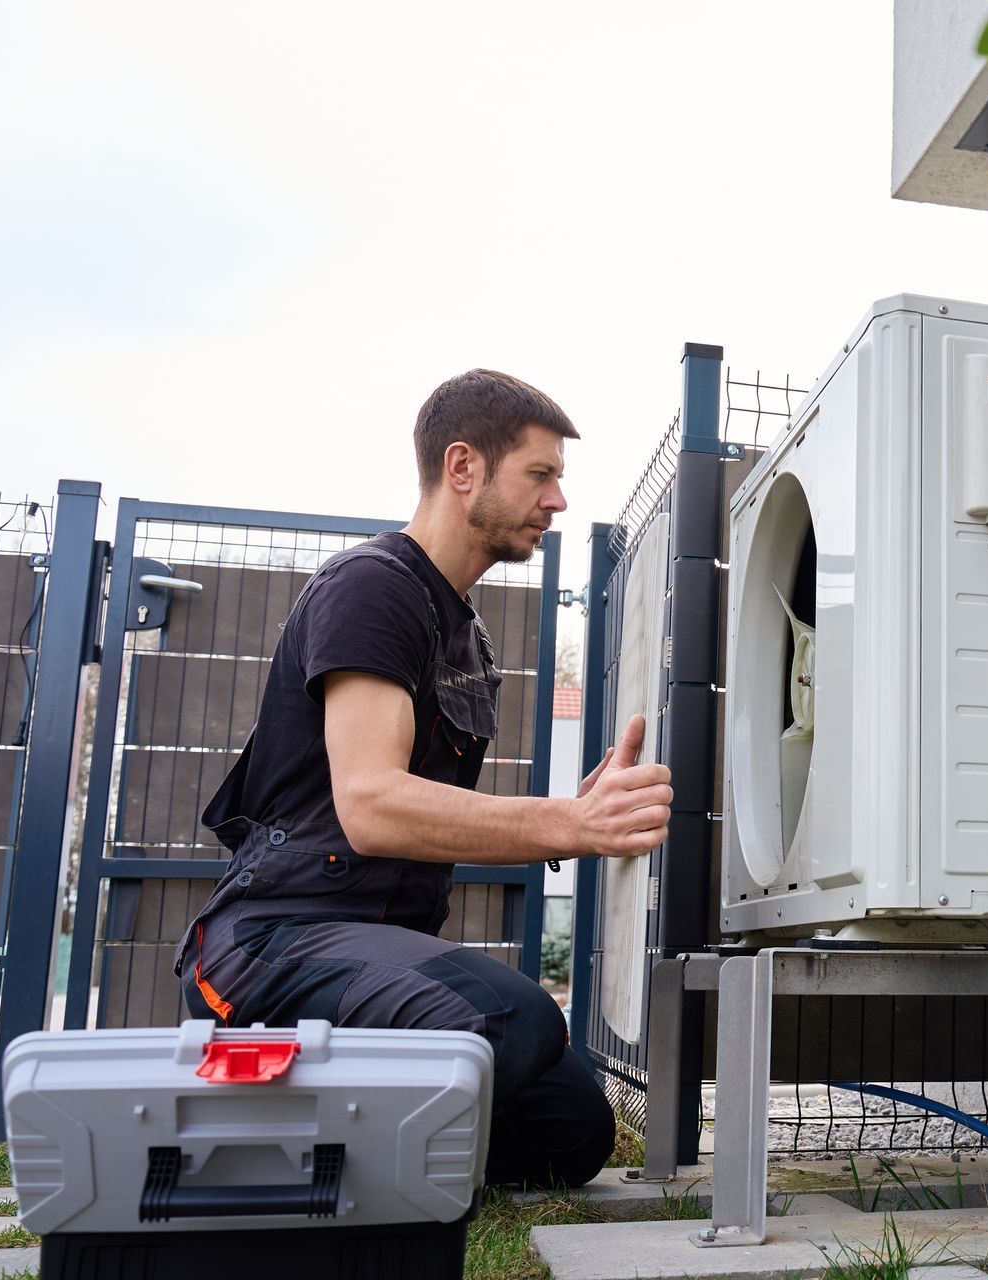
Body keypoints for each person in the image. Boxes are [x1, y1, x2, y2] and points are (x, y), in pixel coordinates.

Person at [174, 368, 670, 1187]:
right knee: (511, 1017)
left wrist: (573, 814)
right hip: (272, 944)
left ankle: (328, 1141)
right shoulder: (371, 589)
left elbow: (427, 811)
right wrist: (566, 826)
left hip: (372, 946)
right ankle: (272, 1163)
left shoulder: (463, 633)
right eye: (541, 475)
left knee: (572, 1131)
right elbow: (370, 805)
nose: (557, 501)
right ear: (463, 467)